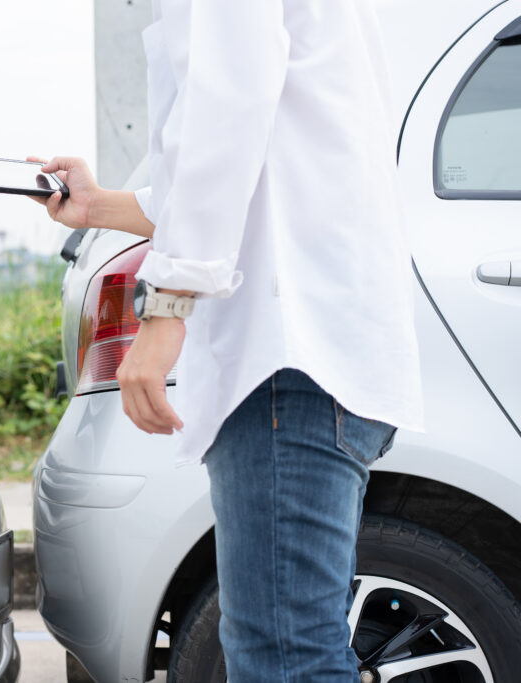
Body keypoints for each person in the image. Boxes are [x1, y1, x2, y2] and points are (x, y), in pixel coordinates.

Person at [32, 0, 424, 680]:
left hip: (285, 359)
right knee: (295, 645)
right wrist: (99, 207)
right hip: (316, 352)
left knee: (285, 657)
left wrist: (166, 307)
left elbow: (227, 105)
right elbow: (251, 147)